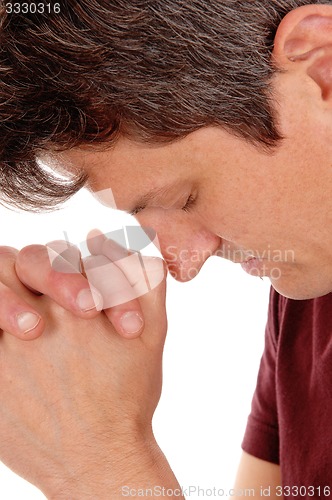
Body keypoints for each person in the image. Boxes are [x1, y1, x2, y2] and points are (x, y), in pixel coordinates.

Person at [0, 0, 331, 497]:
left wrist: (100, 466)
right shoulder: (309, 288)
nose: (181, 266)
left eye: (184, 198)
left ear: (321, 65)